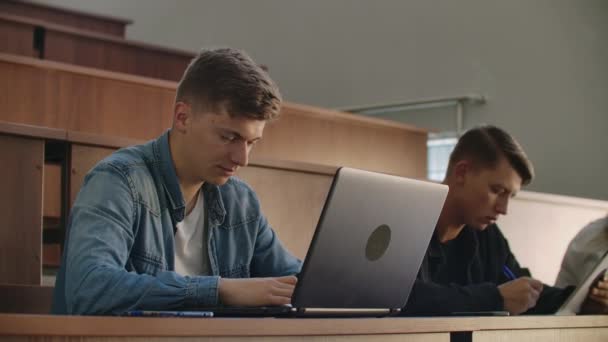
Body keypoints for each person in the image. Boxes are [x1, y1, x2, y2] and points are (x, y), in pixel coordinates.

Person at [52, 48, 301, 315]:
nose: (242, 158)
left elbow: (298, 279)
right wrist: (219, 289)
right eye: (229, 137)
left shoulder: (241, 201)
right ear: (182, 117)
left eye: (252, 143)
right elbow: (88, 288)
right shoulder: (118, 181)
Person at [404, 125, 608, 315]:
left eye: (510, 196)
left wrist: (585, 300)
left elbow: (525, 291)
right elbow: (404, 299)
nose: (503, 209)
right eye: (497, 190)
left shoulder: (487, 234)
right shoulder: (407, 224)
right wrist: (494, 298)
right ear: (462, 173)